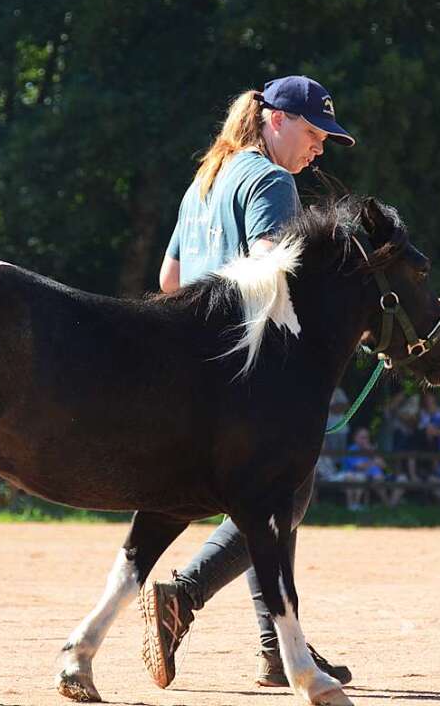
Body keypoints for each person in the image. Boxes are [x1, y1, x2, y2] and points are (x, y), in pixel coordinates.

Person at [144, 76, 355, 690]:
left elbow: (171, 280)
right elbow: (271, 273)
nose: (319, 149)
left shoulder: (205, 179)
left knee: (275, 501)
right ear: (276, 121)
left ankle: (276, 646)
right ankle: (182, 596)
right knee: (283, 497)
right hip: (252, 377)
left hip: (196, 374)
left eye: (326, 139)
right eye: (314, 134)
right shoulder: (270, 180)